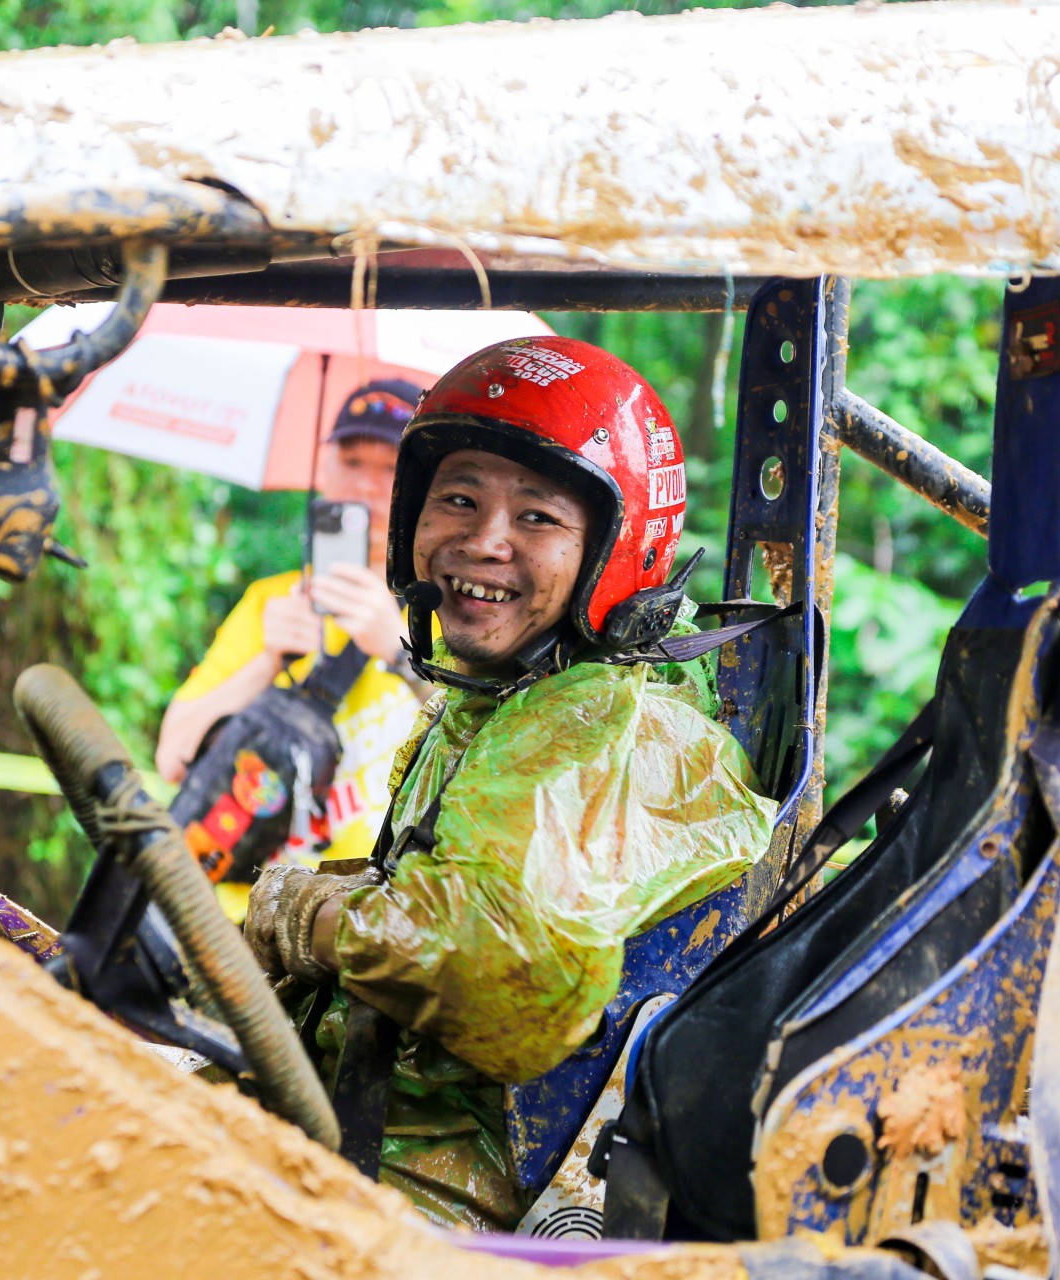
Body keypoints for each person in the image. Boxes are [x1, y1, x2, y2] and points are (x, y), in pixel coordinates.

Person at [242, 337, 777, 1230]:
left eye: (537, 518)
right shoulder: (496, 701)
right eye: (457, 499)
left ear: (614, 551)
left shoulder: (596, 725)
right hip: (352, 1125)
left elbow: (500, 972)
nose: (481, 542)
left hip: (440, 1194)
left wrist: (306, 917)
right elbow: (465, 884)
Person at [155, 379, 430, 894]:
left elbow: (481, 755)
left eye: (389, 468)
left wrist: (398, 652)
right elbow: (173, 754)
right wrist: (266, 660)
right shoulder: (272, 601)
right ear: (323, 473)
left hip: (367, 919)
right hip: (243, 917)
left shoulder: (443, 619)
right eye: (351, 463)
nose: (367, 487)